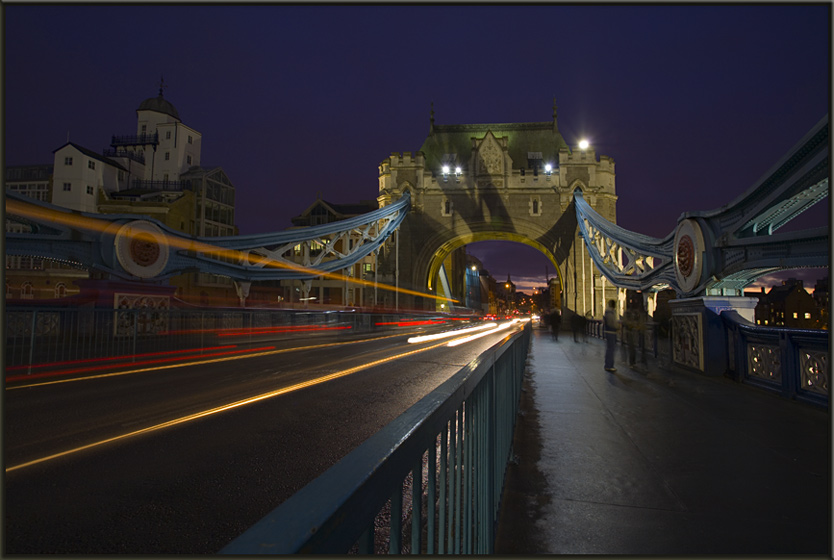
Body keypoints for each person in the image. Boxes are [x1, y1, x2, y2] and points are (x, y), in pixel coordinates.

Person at [603, 299, 618, 372]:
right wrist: (617, 327)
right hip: (611, 332)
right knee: (611, 349)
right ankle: (609, 365)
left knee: (609, 349)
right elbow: (612, 323)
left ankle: (608, 365)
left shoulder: (607, 312)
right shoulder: (610, 313)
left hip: (608, 332)